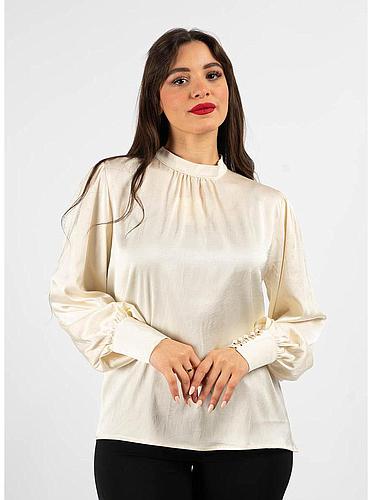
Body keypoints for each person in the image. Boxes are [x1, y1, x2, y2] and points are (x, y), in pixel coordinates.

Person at [48, 27, 327, 500]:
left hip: (251, 438)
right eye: (180, 79)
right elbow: (72, 297)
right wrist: (151, 345)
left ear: (228, 88)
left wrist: (244, 355)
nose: (200, 89)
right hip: (138, 432)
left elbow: (301, 323)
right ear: (155, 98)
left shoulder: (267, 204)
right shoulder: (116, 184)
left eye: (212, 75)